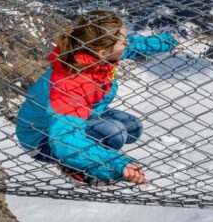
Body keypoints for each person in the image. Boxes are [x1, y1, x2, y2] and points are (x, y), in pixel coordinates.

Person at [15, 10, 179, 185]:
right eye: (123, 39)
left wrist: (169, 41)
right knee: (115, 133)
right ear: (103, 51)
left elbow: (134, 45)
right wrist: (116, 165)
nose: (127, 41)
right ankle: (79, 169)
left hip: (80, 115)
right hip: (43, 138)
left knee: (133, 128)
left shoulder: (93, 52)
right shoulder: (73, 83)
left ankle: (90, 152)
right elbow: (63, 140)